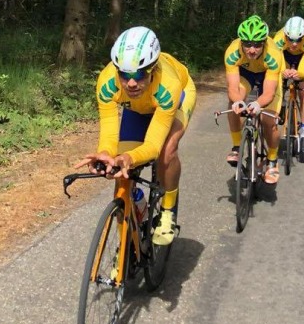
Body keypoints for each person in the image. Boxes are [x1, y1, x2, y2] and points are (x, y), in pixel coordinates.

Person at [74, 26, 196, 246]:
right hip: (138, 108)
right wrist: (105, 154)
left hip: (176, 99)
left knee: (166, 152)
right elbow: (110, 133)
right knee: (121, 173)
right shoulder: (107, 83)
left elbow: (153, 145)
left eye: (139, 75)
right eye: (124, 74)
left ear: (152, 69)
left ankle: (167, 210)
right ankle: (125, 250)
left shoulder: (169, 85)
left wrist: (130, 157)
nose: (131, 83)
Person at [224, 15, 283, 184]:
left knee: (267, 119)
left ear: (264, 43)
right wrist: (239, 102)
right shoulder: (232, 52)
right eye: (247, 44)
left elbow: (268, 94)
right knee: (233, 104)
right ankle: (237, 146)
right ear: (240, 42)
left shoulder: (273, 55)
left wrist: (257, 104)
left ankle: (272, 159)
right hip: (246, 74)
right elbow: (233, 89)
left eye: (257, 45)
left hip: (268, 75)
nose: (252, 49)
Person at [273, 15, 304, 153]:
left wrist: (299, 74)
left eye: (298, 40)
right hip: (283, 59)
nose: (293, 43)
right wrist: (283, 71)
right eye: (290, 39)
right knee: (276, 86)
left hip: (302, 60)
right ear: (285, 35)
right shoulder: (278, 39)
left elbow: (303, 69)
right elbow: (275, 62)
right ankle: (280, 107)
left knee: (303, 92)